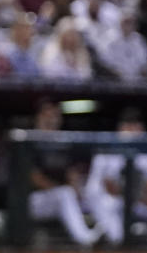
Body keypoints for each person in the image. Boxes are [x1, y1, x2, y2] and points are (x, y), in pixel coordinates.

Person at [84, 109, 147, 251]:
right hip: (110, 200)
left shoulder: (146, 152)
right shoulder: (108, 148)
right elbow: (111, 188)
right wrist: (140, 195)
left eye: (137, 127)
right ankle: (103, 239)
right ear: (121, 129)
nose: (134, 131)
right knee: (111, 214)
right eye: (130, 127)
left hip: (135, 201)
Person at [28, 100, 100, 246]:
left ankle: (111, 235)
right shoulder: (30, 140)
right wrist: (63, 190)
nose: (52, 119)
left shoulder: (62, 143)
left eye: (55, 115)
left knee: (91, 192)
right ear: (39, 117)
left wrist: (78, 191)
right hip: (29, 200)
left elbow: (71, 174)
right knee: (64, 194)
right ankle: (85, 239)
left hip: (55, 200)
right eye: (47, 115)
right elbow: (34, 178)